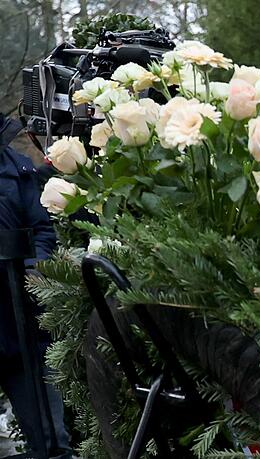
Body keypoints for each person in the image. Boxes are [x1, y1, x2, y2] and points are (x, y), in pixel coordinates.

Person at [0, 114, 72, 458]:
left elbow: (42, 228)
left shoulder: (17, 168)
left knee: (51, 442)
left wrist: (36, 268)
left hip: (22, 326)